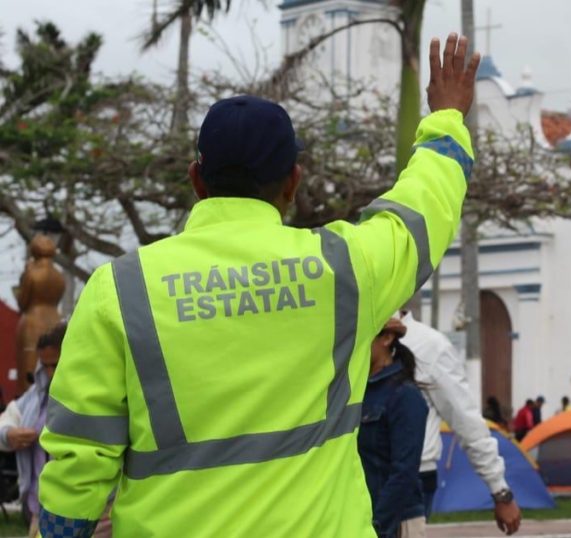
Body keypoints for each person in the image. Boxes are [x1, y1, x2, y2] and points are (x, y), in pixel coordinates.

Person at [36, 33, 481, 537]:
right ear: (293, 181)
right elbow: (423, 210)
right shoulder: (346, 270)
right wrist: (447, 117)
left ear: (196, 180)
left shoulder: (120, 290)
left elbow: (79, 462)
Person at [398, 312, 521, 535]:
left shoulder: (430, 346)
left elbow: (466, 420)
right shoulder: (350, 339)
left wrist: (499, 490)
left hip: (411, 478)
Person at [359, 319, 428, 538]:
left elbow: (405, 471)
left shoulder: (404, 395)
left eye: (363, 336)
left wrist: (378, 525)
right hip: (362, 518)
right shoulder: (357, 392)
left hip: (395, 522)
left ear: (387, 338)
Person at [0, 323, 64, 537]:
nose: (50, 372)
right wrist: (9, 434)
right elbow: (7, 418)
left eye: (55, 364)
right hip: (38, 510)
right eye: (45, 365)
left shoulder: (90, 398)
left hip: (76, 509)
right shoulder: (36, 395)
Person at [14, 234, 64, 392]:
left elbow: (22, 302)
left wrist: (25, 275)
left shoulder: (32, 274)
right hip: (56, 320)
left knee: (29, 365)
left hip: (33, 320)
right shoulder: (59, 276)